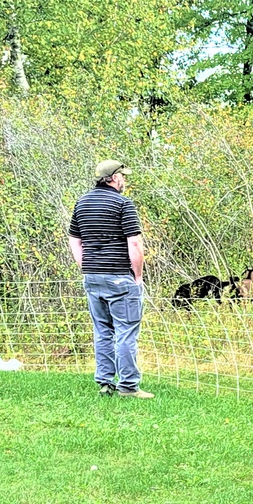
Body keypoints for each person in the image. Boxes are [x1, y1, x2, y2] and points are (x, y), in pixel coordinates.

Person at [68, 159, 153, 398]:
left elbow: (74, 239)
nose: (124, 180)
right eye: (123, 176)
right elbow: (134, 242)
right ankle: (128, 386)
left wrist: (84, 264)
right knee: (126, 331)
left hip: (93, 277)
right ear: (114, 178)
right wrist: (137, 276)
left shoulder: (82, 203)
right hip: (119, 277)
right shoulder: (123, 204)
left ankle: (105, 382)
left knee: (102, 330)